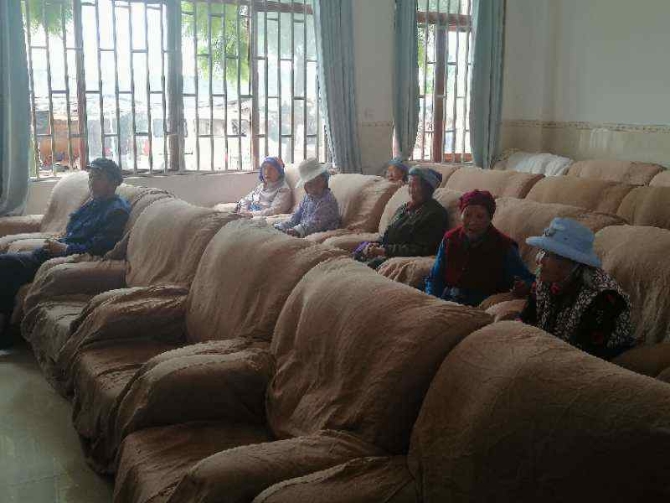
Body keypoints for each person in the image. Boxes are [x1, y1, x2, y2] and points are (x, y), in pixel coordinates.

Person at [0, 158, 130, 347]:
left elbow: (99, 247)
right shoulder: (93, 203)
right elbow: (72, 232)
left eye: (98, 178)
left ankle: (9, 331)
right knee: (9, 268)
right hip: (53, 251)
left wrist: (65, 249)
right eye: (91, 177)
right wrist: (58, 244)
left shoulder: (116, 211)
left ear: (113, 182)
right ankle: (8, 326)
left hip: (66, 256)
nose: (92, 182)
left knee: (5, 264)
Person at [520, 217, 636, 360]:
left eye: (549, 255)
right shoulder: (546, 279)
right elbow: (525, 322)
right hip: (553, 352)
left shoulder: (604, 298)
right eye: (542, 251)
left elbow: (585, 357)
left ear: (572, 262)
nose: (540, 260)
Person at [425, 189, 534, 306]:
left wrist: (524, 286)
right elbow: (435, 278)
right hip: (446, 300)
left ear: (489, 218)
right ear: (461, 215)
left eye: (480, 216)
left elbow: (529, 279)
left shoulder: (505, 246)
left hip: (479, 306)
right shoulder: (450, 239)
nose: (472, 222)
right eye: (467, 215)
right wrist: (431, 302)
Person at [353, 166, 448, 269]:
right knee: (356, 255)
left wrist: (384, 250)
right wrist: (374, 245)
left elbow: (421, 249)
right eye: (409, 185)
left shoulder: (435, 214)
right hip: (384, 252)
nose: (411, 190)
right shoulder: (405, 208)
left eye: (416, 186)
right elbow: (387, 235)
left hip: (395, 258)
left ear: (428, 189)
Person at [274, 158, 339, 237]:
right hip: (304, 230)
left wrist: (297, 230)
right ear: (305, 187)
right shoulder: (307, 198)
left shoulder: (327, 200)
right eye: (310, 185)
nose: (314, 188)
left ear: (325, 180)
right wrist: (282, 226)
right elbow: (296, 217)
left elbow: (317, 223)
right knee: (277, 229)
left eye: (318, 182)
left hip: (323, 232)